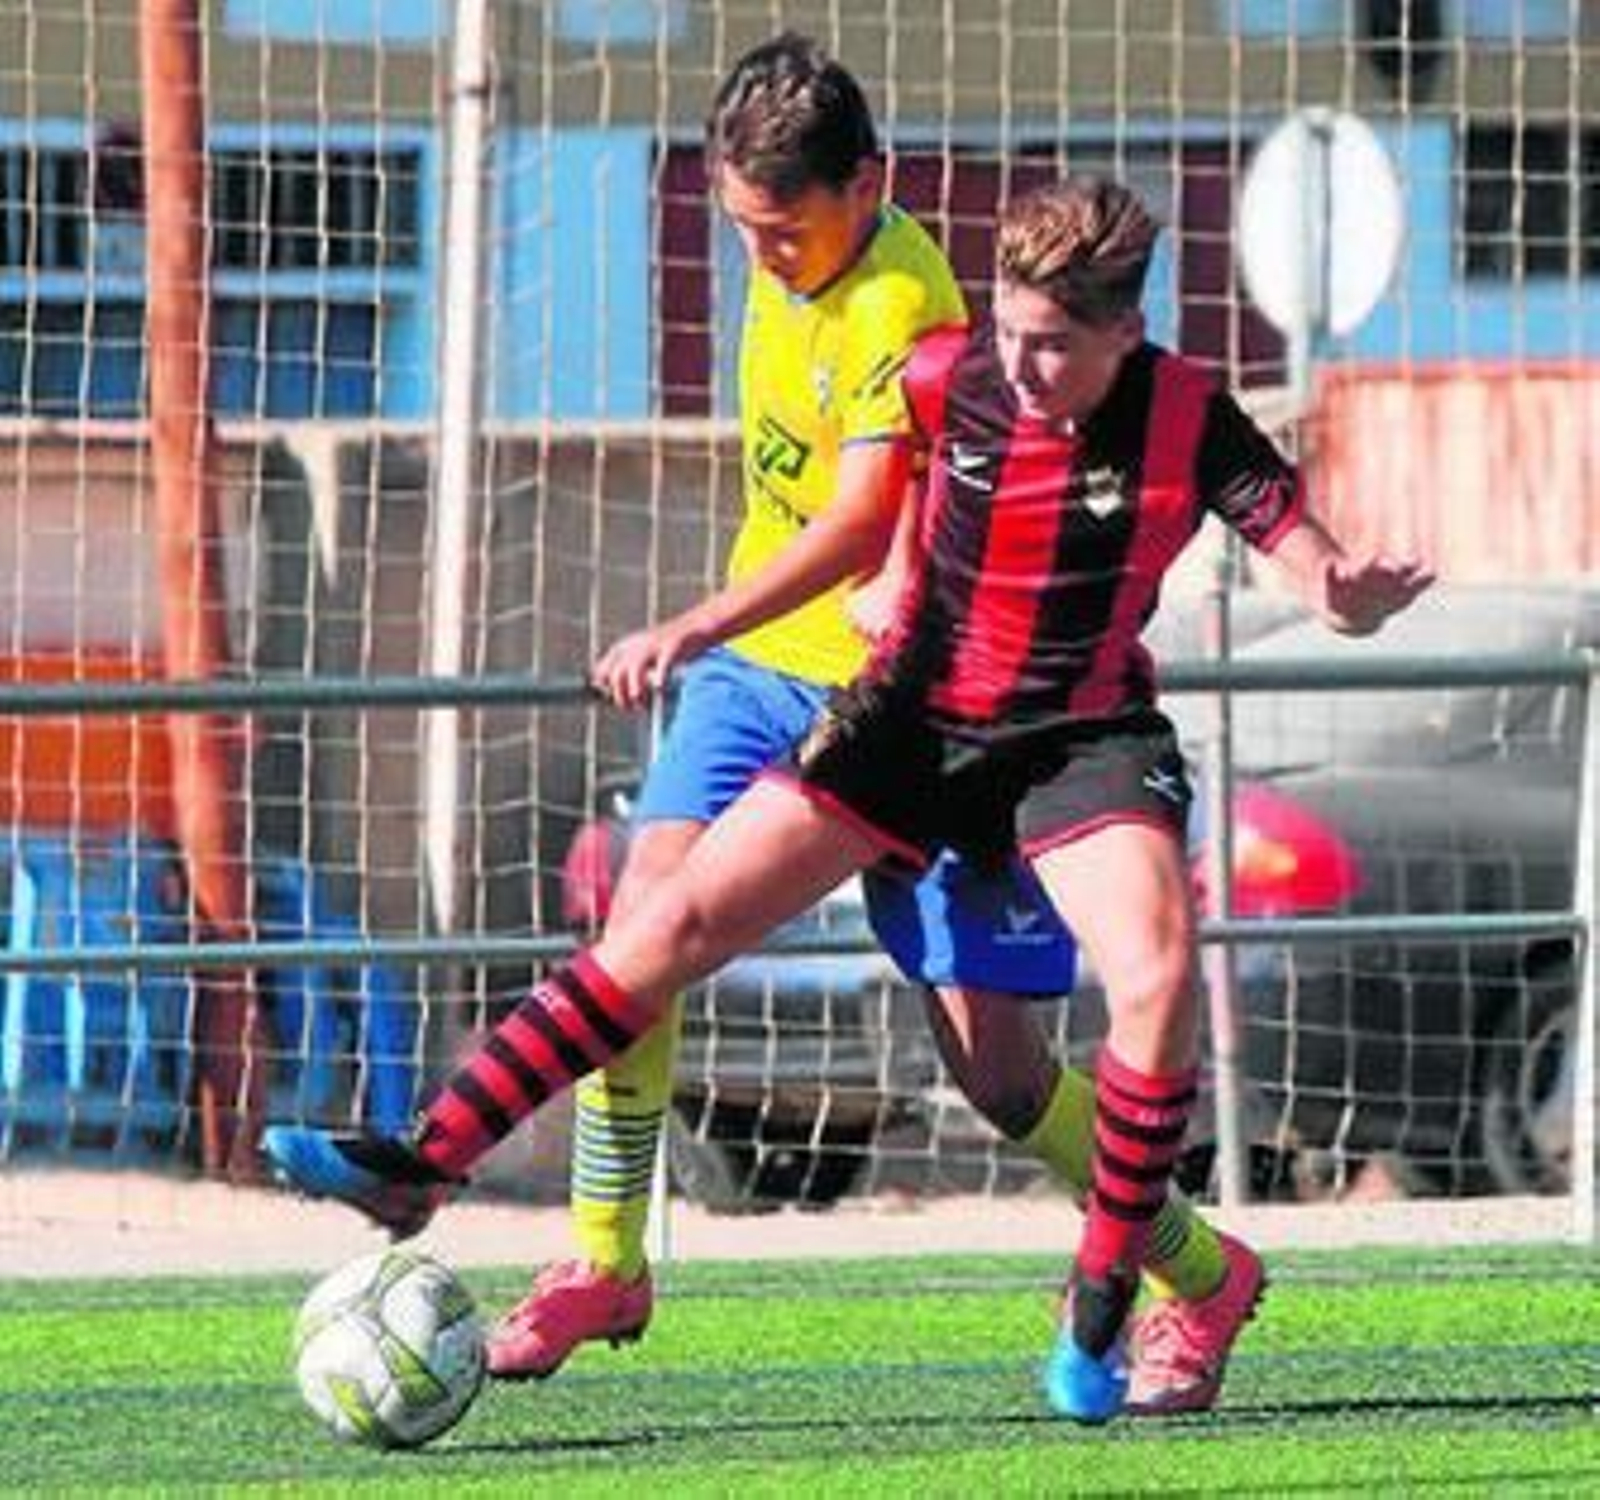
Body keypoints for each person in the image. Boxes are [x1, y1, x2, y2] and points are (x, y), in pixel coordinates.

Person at [264, 170, 1427, 1423]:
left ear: (1123, 335)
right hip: (911, 727)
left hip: (1079, 743)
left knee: (1133, 993)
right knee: (662, 931)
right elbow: (891, 487)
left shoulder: (1191, 416)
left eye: (1054, 348)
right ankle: (422, 1163)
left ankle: (1106, 1302)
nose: (1021, 368)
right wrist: (882, 580)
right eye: (1008, 332)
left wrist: (1343, 591)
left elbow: (1305, 556)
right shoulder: (947, 373)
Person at [498, 36, 1257, 1417]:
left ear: (872, 186)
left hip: (910, 698)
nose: (763, 259)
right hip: (761, 681)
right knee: (639, 921)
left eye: (784, 234)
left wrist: (696, 621)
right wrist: (728, 640)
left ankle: (1200, 1272)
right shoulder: (783, 258)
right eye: (741, 231)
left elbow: (861, 529)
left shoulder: (913, 309)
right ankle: (603, 1257)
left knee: (1001, 1068)